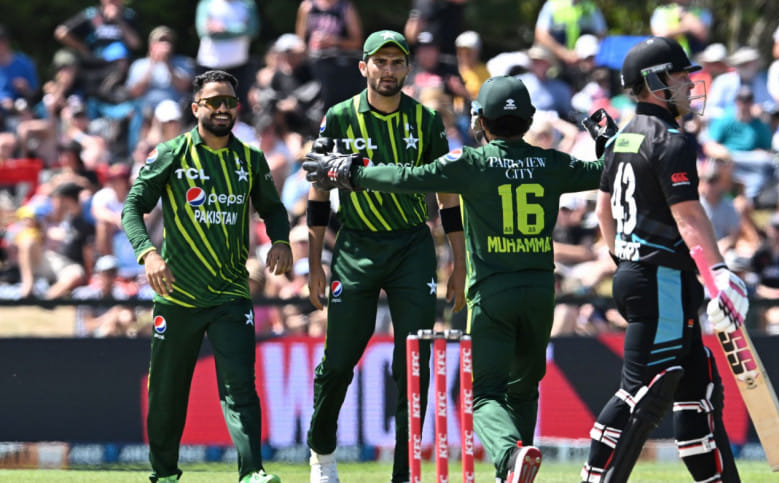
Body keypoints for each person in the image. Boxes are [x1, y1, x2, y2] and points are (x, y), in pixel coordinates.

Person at [303, 74, 606, 482]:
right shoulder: (553, 163)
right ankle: (513, 469)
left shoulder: (471, 163)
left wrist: (353, 171)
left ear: (481, 120)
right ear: (529, 119)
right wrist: (609, 141)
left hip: (494, 294)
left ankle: (510, 456)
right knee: (524, 388)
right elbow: (603, 171)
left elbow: (407, 178)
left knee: (485, 395)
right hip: (540, 294)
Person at [302, 30, 466, 483]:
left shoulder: (425, 120)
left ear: (408, 68)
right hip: (355, 245)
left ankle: (404, 473)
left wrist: (459, 262)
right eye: (380, 62)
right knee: (339, 362)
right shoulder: (339, 117)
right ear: (364, 67)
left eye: (396, 62)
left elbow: (447, 194)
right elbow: (319, 190)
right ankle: (322, 453)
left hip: (412, 246)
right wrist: (314, 263)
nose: (388, 70)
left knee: (413, 364)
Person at [581, 37, 747, 483]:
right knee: (642, 392)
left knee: (698, 388)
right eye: (680, 76)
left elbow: (603, 212)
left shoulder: (621, 137)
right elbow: (688, 216)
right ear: (656, 82)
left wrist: (625, 260)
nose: (690, 84)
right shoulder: (670, 140)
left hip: (643, 274)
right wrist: (719, 273)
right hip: (663, 280)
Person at [121, 70, 290, 483]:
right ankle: (164, 473)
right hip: (177, 295)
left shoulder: (250, 159)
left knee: (240, 387)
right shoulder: (171, 153)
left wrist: (281, 240)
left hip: (231, 294)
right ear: (196, 107)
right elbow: (132, 207)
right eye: (213, 102)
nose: (222, 109)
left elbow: (273, 208)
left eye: (229, 102)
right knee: (167, 391)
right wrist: (147, 253)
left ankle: (252, 471)